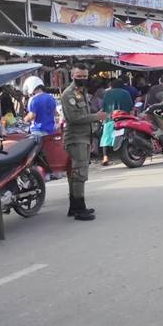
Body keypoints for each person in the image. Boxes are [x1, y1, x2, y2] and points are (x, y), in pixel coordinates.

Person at [60, 63, 106, 221]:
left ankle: (74, 207)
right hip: (75, 138)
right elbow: (74, 118)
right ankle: (80, 209)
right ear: (72, 76)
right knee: (79, 174)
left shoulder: (82, 92)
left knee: (76, 175)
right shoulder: (68, 94)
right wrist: (96, 117)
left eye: (84, 76)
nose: (82, 79)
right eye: (79, 76)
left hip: (84, 137)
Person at [99, 78, 133, 166]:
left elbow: (103, 107)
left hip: (109, 119)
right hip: (123, 119)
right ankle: (125, 154)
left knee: (106, 138)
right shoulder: (125, 93)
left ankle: (105, 157)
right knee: (125, 136)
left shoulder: (107, 94)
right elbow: (130, 107)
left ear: (111, 85)